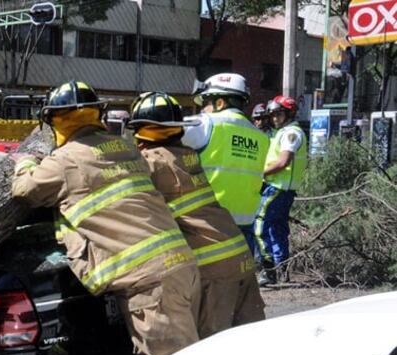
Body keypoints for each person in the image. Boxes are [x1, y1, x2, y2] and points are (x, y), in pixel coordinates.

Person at [12, 81, 200, 355]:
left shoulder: (64, 162)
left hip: (149, 284)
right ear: (97, 114)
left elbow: (24, 190)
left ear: (53, 121)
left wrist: (25, 162)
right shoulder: (127, 148)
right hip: (179, 267)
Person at [129, 92, 265, 338]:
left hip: (214, 266)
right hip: (240, 253)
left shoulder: (149, 163)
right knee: (250, 342)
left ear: (140, 131)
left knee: (212, 350)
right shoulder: (189, 157)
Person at [181, 73, 270, 256]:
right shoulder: (261, 137)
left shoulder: (205, 124)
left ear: (219, 103)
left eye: (205, 103)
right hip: (244, 224)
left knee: (209, 280)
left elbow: (161, 136)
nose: (203, 109)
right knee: (239, 279)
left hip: (210, 221)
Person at [254, 95, 307, 286]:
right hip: (282, 188)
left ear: (289, 113)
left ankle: (268, 270)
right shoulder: (283, 132)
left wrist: (258, 173)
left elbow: (283, 161)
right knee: (278, 229)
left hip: (276, 187)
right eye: (273, 114)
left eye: (278, 114)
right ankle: (282, 269)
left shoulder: (290, 133)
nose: (274, 118)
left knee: (259, 226)